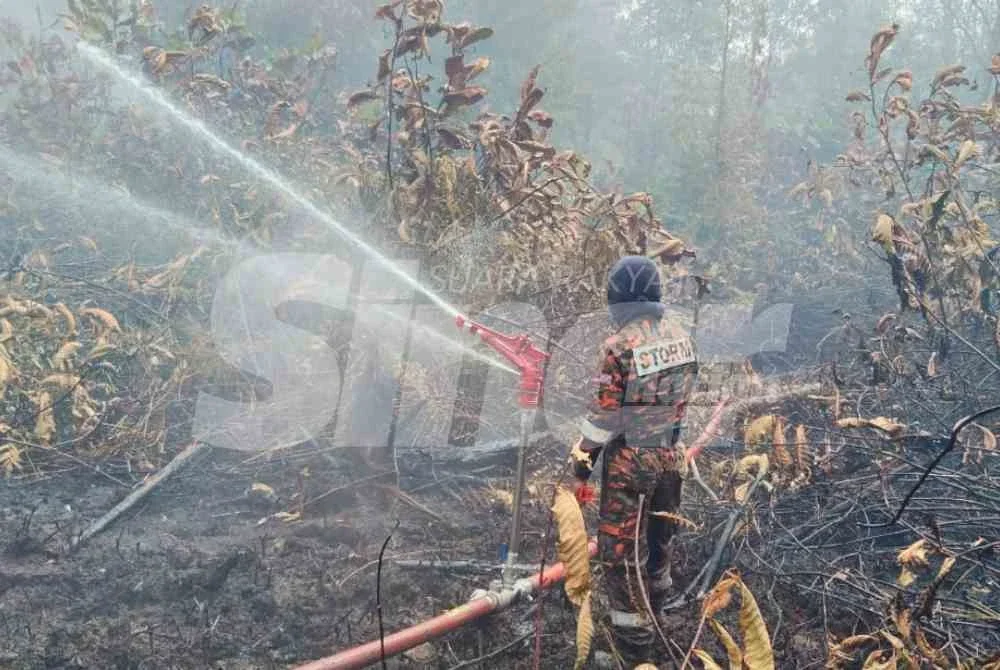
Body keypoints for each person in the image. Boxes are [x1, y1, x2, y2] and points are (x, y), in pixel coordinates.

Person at [569, 255, 699, 668]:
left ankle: (632, 653)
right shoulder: (681, 333)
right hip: (672, 457)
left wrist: (580, 466)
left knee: (620, 555)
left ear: (617, 298)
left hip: (631, 467)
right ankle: (656, 617)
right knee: (660, 544)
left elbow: (602, 420)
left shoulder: (618, 347)